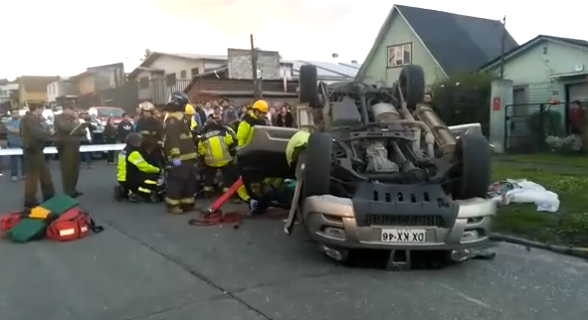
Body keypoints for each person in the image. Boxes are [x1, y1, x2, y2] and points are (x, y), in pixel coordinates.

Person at [163, 91, 199, 213]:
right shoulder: (173, 119)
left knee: (189, 181)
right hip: (178, 158)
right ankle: (173, 205)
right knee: (176, 181)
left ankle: (187, 204)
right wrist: (175, 158)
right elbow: (173, 140)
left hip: (187, 157)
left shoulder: (180, 117)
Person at [235, 99, 269, 208]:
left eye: (265, 113)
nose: (264, 115)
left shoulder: (262, 122)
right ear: (257, 111)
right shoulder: (246, 122)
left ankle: (258, 198)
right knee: (244, 179)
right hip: (247, 154)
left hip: (257, 155)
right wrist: (242, 153)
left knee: (257, 179)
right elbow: (240, 139)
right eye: (263, 113)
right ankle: (248, 199)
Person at [20, 105, 55, 208]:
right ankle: (30, 200)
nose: (42, 111)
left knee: (45, 173)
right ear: (37, 108)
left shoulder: (33, 119)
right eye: (42, 109)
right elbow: (37, 133)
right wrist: (50, 135)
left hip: (36, 150)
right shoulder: (29, 119)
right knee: (32, 176)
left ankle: (49, 195)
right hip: (32, 150)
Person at [197, 114, 237, 197]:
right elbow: (231, 143)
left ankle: (208, 191)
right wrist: (232, 154)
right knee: (228, 173)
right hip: (225, 159)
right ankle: (227, 190)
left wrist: (202, 159)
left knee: (209, 173)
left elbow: (201, 150)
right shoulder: (224, 132)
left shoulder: (204, 135)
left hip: (211, 161)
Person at [116, 132, 162, 202]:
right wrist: (158, 170)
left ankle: (127, 191)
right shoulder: (133, 153)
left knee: (140, 174)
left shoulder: (124, 151)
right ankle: (140, 193)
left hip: (122, 178)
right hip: (129, 179)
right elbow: (145, 167)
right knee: (153, 177)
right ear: (136, 142)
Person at [54, 105, 87, 197]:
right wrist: (77, 122)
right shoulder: (59, 118)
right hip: (65, 146)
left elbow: (82, 131)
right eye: (71, 110)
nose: (73, 112)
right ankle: (68, 190)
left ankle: (73, 188)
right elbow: (67, 128)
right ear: (65, 109)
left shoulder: (72, 119)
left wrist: (80, 127)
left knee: (75, 169)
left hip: (75, 145)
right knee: (67, 169)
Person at [135, 101, 164, 166]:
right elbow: (137, 133)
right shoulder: (140, 122)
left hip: (154, 148)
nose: (146, 113)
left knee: (155, 164)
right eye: (145, 111)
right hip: (142, 147)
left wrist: (159, 143)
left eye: (148, 111)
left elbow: (161, 134)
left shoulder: (156, 122)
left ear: (151, 112)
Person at [5, 107, 25, 181]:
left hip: (23, 143)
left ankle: (24, 174)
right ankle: (14, 175)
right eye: (14, 113)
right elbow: (12, 131)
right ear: (11, 114)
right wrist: (22, 131)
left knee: (24, 160)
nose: (16, 114)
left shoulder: (22, 121)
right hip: (13, 143)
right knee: (14, 160)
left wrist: (21, 131)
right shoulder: (8, 122)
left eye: (17, 113)